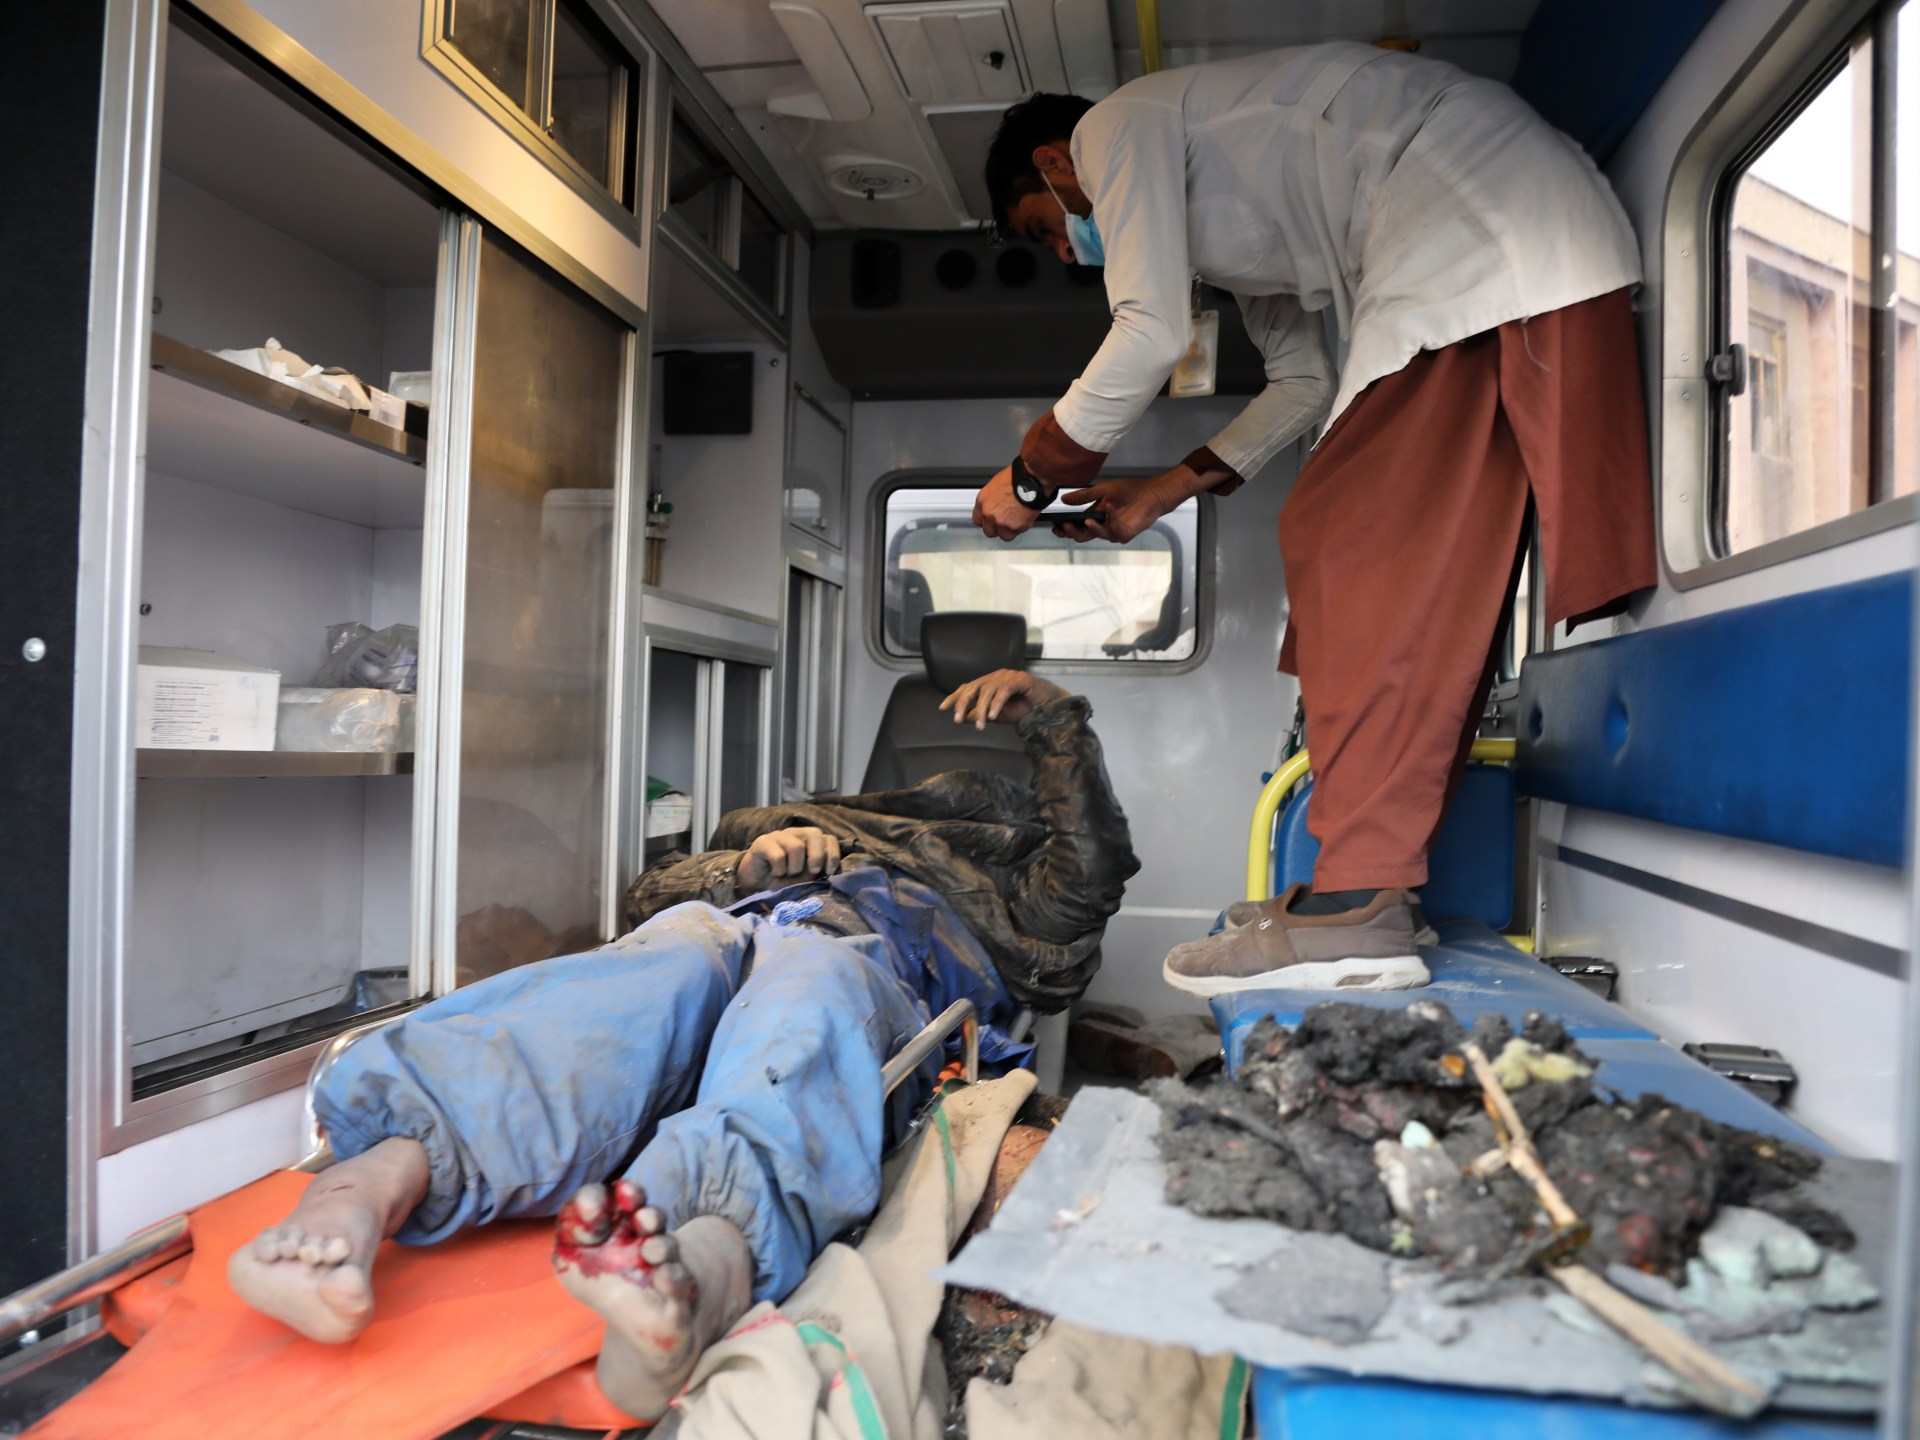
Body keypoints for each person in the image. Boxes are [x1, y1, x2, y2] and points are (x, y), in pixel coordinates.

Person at [227, 669, 1137, 1419]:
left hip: (874, 951)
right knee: (652, 974)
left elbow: (1088, 884)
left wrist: (1053, 713)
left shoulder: (1018, 879)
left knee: (807, 994)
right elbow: (649, 894)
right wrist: (743, 866)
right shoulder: (786, 818)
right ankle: (368, 1186)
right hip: (732, 921)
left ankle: (703, 1272)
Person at [972, 46, 1656, 993]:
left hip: (1469, 224)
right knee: (1376, 552)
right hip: (1488, 241)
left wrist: (1032, 474)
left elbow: (1149, 331)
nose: (1065, 252)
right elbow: (1302, 382)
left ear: (1053, 165)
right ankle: (1370, 886)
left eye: (1045, 229)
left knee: (1348, 543)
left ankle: (1358, 901)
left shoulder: (1109, 129)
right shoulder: (1232, 234)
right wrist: (1161, 490)